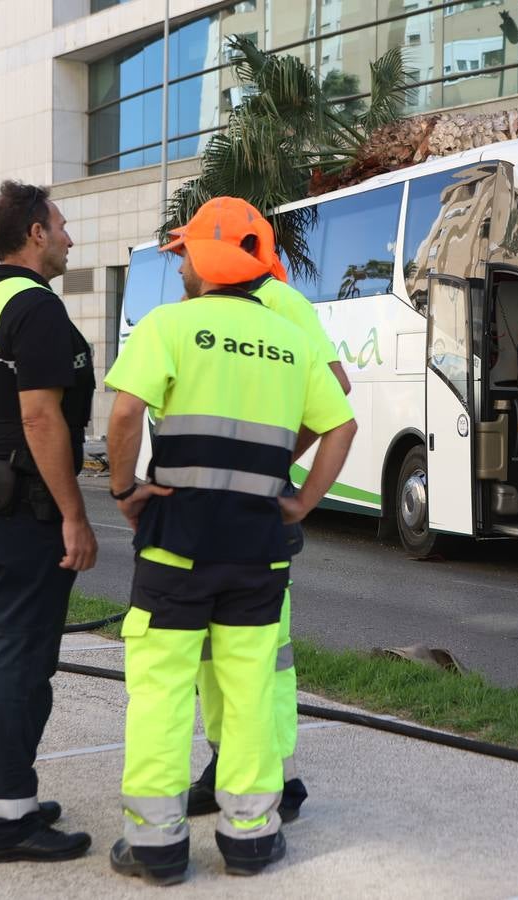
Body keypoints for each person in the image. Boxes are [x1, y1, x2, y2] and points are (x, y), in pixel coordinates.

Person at [105, 196, 356, 885]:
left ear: (207, 255)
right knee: (249, 691)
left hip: (175, 546)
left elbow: (125, 412)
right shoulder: (293, 340)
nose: (180, 261)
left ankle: (155, 847)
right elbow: (342, 425)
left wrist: (124, 490)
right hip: (258, 549)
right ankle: (249, 837)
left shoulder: (170, 325)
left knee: (162, 690)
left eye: (185, 251)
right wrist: (302, 500)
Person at [180, 213, 351, 827]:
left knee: (262, 652)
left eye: (191, 250)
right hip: (212, 507)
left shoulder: (280, 301)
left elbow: (336, 390)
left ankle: (279, 775)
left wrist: (276, 461)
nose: (182, 263)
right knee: (212, 652)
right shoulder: (201, 308)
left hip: (248, 508)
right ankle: (230, 763)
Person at [0, 180, 97, 863]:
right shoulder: (36, 308)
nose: (69, 237)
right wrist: (74, 515)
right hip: (27, 505)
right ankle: (10, 822)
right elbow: (40, 418)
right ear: (34, 233)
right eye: (61, 226)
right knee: (22, 661)